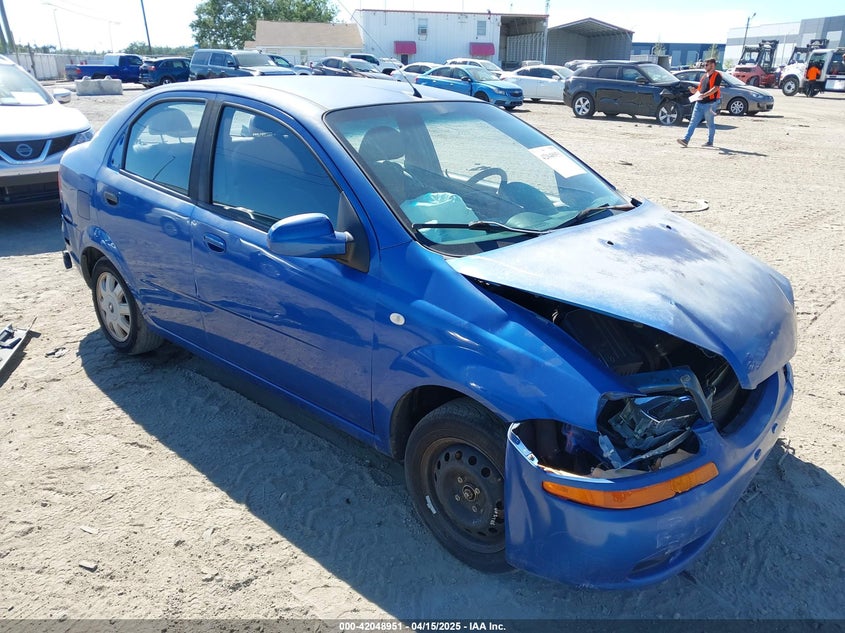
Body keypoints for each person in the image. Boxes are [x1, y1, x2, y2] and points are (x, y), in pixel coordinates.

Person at [677, 58, 722, 148]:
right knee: (693, 122)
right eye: (704, 65)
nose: (704, 66)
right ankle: (686, 140)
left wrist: (704, 95)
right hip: (699, 103)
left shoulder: (717, 75)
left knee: (709, 123)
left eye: (706, 65)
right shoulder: (704, 76)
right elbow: (700, 89)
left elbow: (715, 88)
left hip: (710, 104)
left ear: (713, 65)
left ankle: (710, 141)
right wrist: (694, 91)